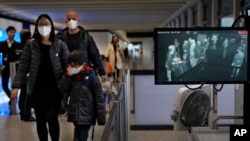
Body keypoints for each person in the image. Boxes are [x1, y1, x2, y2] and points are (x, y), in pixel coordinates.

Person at [10, 14, 69, 141]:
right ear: (36, 27)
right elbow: (23, 67)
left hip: (54, 89)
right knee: (40, 120)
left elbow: (67, 66)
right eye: (41, 24)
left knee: (52, 119)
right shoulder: (31, 46)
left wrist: (70, 84)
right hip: (37, 89)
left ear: (51, 26)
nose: (44, 27)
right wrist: (15, 86)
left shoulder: (60, 45)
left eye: (46, 24)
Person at [57, 10, 107, 115]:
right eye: (69, 19)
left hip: (84, 73)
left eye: (73, 18)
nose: (71, 21)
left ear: (78, 20)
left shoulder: (86, 37)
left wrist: (102, 72)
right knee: (67, 100)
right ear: (65, 21)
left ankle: (85, 123)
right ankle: (74, 118)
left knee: (84, 98)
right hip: (68, 74)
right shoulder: (60, 38)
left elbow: (94, 55)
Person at [58, 50, 106, 141]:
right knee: (77, 136)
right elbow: (62, 89)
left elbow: (99, 98)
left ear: (82, 64)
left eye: (74, 65)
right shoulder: (71, 76)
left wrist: (101, 118)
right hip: (75, 115)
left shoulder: (92, 77)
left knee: (84, 137)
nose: (72, 68)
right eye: (70, 66)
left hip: (87, 116)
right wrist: (67, 76)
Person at [0, 26, 22, 106]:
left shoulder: (18, 45)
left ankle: (13, 97)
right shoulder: (2, 44)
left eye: (14, 32)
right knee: (4, 84)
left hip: (15, 67)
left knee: (15, 85)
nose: (12, 34)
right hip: (5, 67)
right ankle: (11, 97)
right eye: (11, 32)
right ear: (7, 33)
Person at [18, 29, 36, 121]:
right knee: (26, 94)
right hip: (27, 74)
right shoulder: (29, 46)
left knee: (24, 94)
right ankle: (26, 114)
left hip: (25, 73)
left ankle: (24, 113)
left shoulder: (20, 45)